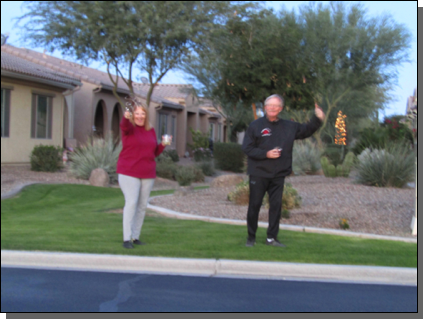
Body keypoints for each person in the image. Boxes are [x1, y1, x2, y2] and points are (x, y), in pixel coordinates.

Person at [242, 94, 325, 247]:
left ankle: (271, 238)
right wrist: (265, 154)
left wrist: (318, 119)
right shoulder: (255, 126)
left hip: (278, 174)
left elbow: (306, 130)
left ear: (280, 109)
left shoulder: (289, 126)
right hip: (258, 173)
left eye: (276, 106)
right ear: (265, 107)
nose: (272, 108)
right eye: (270, 105)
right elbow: (247, 147)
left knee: (275, 208)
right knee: (254, 206)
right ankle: (251, 238)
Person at [117, 98, 172, 249]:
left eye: (143, 113)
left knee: (142, 206)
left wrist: (162, 144)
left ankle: (135, 236)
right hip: (129, 171)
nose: (140, 116)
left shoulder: (151, 130)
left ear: (146, 115)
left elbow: (153, 153)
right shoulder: (128, 128)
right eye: (137, 113)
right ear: (133, 114)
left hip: (147, 173)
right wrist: (126, 115)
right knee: (132, 202)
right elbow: (124, 124)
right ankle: (126, 239)